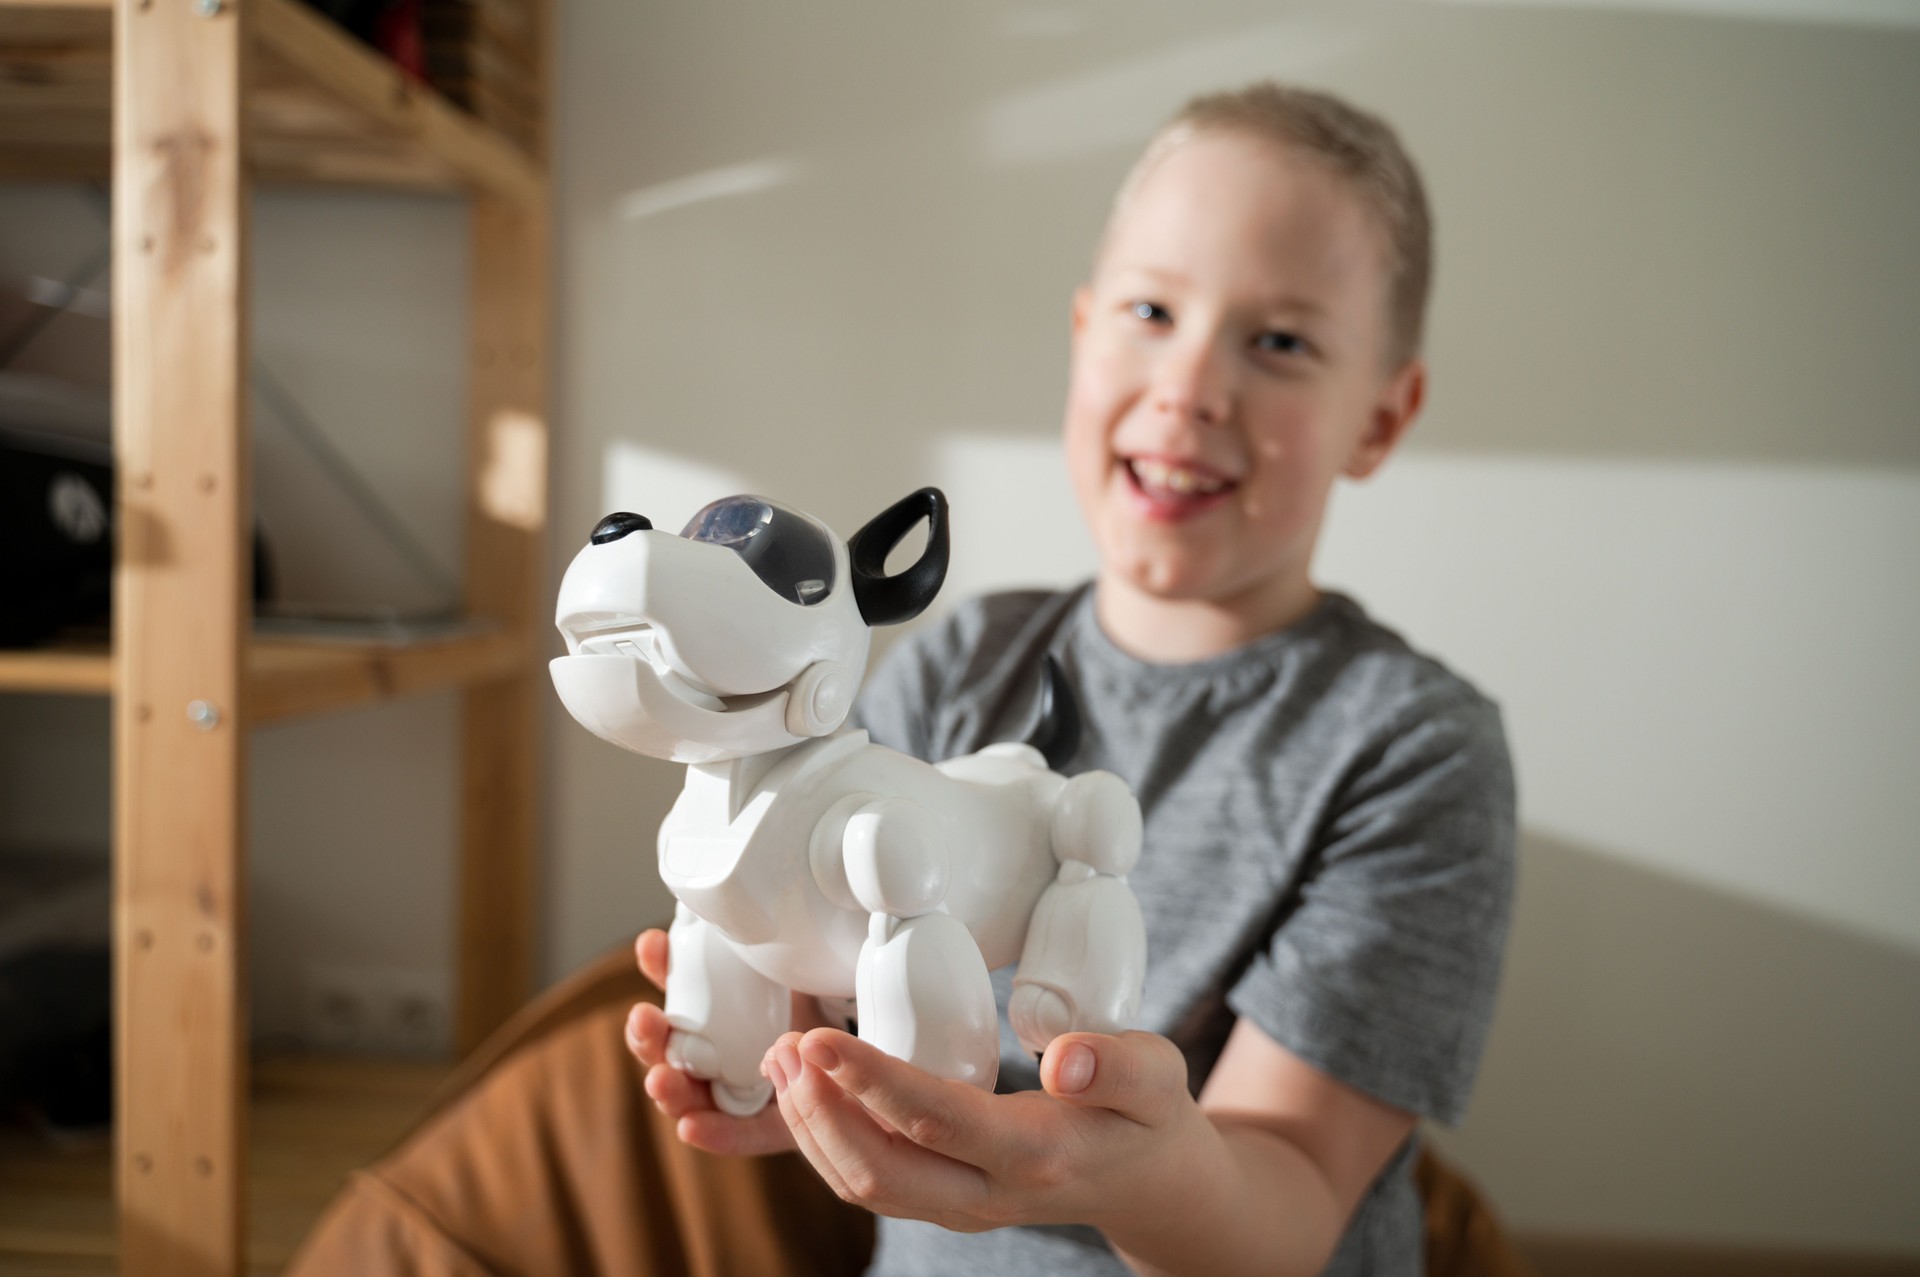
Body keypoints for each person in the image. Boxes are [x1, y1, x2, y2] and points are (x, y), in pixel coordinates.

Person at [624, 81, 1517, 1277]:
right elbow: (833, 977)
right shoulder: (957, 662)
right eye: (1153, 310)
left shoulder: (1411, 748)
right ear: (1085, 329)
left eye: (1282, 341)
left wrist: (1136, 1173)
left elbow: (1291, 1194)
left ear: (1379, 418)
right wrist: (784, 1056)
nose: (1191, 385)